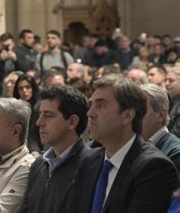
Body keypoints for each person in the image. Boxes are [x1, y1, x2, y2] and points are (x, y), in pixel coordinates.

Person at [69, 75, 178, 213]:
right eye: (92, 105)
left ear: (127, 116)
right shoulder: (88, 160)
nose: (90, 113)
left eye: (101, 105)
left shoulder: (154, 167)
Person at [21, 86, 91, 213]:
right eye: (40, 114)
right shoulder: (38, 165)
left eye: (48, 116)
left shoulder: (91, 166)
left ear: (72, 122)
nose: (39, 122)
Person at [140, 84, 180, 173]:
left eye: (140, 110)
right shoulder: (132, 145)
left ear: (161, 115)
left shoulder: (175, 153)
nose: (133, 116)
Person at [166, 68, 180, 137]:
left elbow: (176, 134)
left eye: (171, 81)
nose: (166, 84)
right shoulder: (168, 100)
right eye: (166, 80)